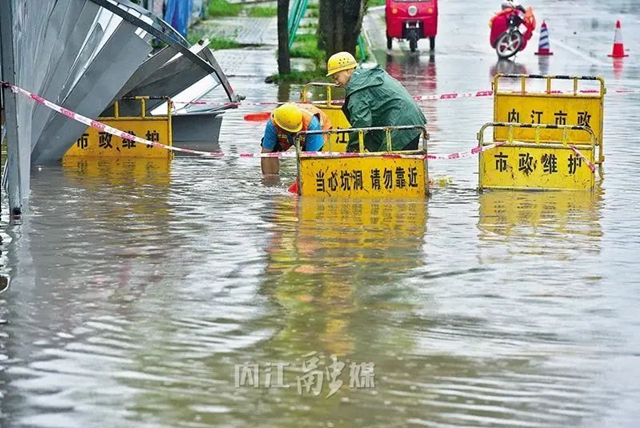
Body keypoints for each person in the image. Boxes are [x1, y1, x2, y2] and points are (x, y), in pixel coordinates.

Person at [326, 51, 426, 153]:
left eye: (336, 77)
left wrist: (352, 148)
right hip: (412, 118)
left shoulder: (357, 88)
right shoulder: (367, 76)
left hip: (401, 123)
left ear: (348, 71)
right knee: (407, 163)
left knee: (388, 162)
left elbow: (361, 123)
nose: (336, 82)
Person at [261, 103, 332, 175]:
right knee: (272, 151)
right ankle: (271, 178)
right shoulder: (273, 122)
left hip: (315, 130)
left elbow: (311, 158)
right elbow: (266, 153)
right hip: (286, 126)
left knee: (308, 158)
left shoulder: (312, 125)